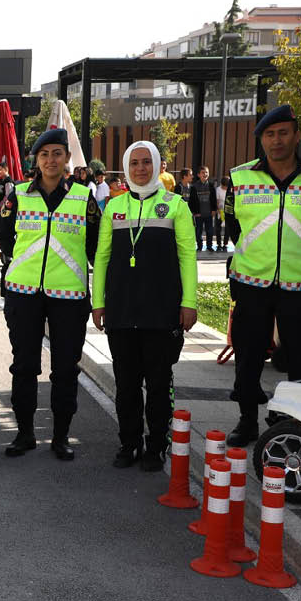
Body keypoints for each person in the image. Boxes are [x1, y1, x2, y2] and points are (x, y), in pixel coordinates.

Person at [224, 105, 301, 447]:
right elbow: (234, 227)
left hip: (300, 286)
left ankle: (296, 423)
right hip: (251, 283)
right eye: (270, 134)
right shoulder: (239, 177)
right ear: (261, 138)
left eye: (284, 132)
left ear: (297, 134)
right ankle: (247, 420)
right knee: (248, 355)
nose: (277, 141)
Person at [0, 128, 101, 461]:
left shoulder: (84, 197)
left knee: (65, 370)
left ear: (67, 159)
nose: (51, 160)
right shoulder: (18, 195)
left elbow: (96, 245)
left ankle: (60, 437)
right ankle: (24, 434)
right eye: (45, 155)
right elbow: (4, 237)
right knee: (24, 366)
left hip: (69, 295)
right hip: (23, 293)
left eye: (57, 153)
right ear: (36, 160)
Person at [92, 141, 198, 470]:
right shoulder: (114, 207)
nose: (140, 168)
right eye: (134, 163)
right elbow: (102, 257)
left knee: (157, 383)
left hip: (162, 310)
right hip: (122, 311)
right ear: (126, 168)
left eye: (146, 162)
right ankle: (129, 443)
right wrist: (98, 303)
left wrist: (189, 302)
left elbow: (187, 256)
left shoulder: (176, 205)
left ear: (157, 165)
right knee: (125, 385)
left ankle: (155, 447)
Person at [189, 166, 218, 251]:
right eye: (203, 172)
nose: (205, 174)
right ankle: (199, 246)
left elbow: (214, 199)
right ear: (198, 175)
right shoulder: (194, 187)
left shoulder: (211, 186)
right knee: (198, 232)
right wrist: (194, 212)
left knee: (210, 231)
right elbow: (192, 201)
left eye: (206, 172)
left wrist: (214, 209)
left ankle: (209, 246)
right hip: (199, 214)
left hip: (209, 213)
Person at [215, 176, 232, 251]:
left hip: (228, 211)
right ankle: (219, 245)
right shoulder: (218, 189)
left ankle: (225, 245)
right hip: (220, 211)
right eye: (224, 187)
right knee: (218, 229)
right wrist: (219, 210)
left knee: (227, 229)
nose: (225, 188)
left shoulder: (231, 190)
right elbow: (217, 201)